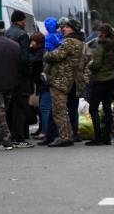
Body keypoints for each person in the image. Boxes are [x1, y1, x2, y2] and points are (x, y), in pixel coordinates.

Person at [43, 19, 84, 147]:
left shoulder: (69, 42)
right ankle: (68, 135)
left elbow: (57, 55)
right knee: (62, 110)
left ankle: (65, 137)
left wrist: (47, 54)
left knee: (59, 110)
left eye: (66, 27)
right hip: (67, 79)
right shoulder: (78, 42)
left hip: (60, 80)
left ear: (72, 28)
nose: (62, 29)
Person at [85, 24, 114, 146]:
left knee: (93, 108)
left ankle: (97, 137)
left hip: (100, 80)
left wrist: (90, 65)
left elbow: (97, 64)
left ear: (102, 33)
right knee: (107, 108)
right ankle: (107, 137)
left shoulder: (101, 45)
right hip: (112, 79)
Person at [5, 10, 35, 148]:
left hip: (9, 77)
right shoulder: (23, 35)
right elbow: (24, 57)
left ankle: (10, 135)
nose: (25, 23)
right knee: (21, 109)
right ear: (20, 20)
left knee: (10, 108)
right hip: (21, 78)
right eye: (24, 20)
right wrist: (29, 74)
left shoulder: (7, 33)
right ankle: (19, 138)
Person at [0, 21, 20, 150]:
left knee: (0, 114)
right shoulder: (15, 45)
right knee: (5, 112)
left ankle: (5, 141)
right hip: (11, 84)